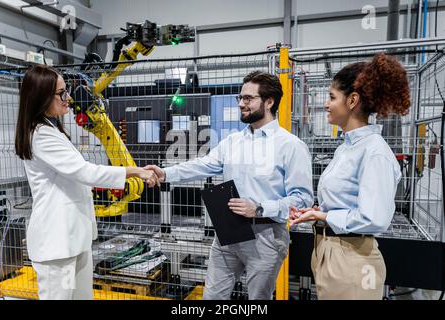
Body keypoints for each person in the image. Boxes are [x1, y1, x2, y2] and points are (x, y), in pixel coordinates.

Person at [146, 71, 314, 300]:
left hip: (266, 235)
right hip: (229, 230)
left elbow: (302, 200)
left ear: (269, 101)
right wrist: (165, 173)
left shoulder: (291, 146)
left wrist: (259, 207)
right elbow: (203, 165)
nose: (241, 104)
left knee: (257, 300)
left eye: (248, 98)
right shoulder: (234, 141)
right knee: (212, 297)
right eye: (240, 98)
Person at [14, 65, 159, 300]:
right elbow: (84, 172)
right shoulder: (40, 135)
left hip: (74, 239)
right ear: (41, 97)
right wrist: (135, 172)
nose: (68, 98)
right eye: (61, 93)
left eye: (66, 90)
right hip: (57, 245)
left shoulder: (54, 131)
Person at [289, 53, 410, 300]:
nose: (326, 104)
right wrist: (316, 211)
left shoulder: (374, 152)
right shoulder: (347, 147)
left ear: (352, 100)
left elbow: (373, 218)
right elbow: (345, 201)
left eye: (332, 97)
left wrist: (322, 215)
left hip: (353, 262)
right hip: (329, 252)